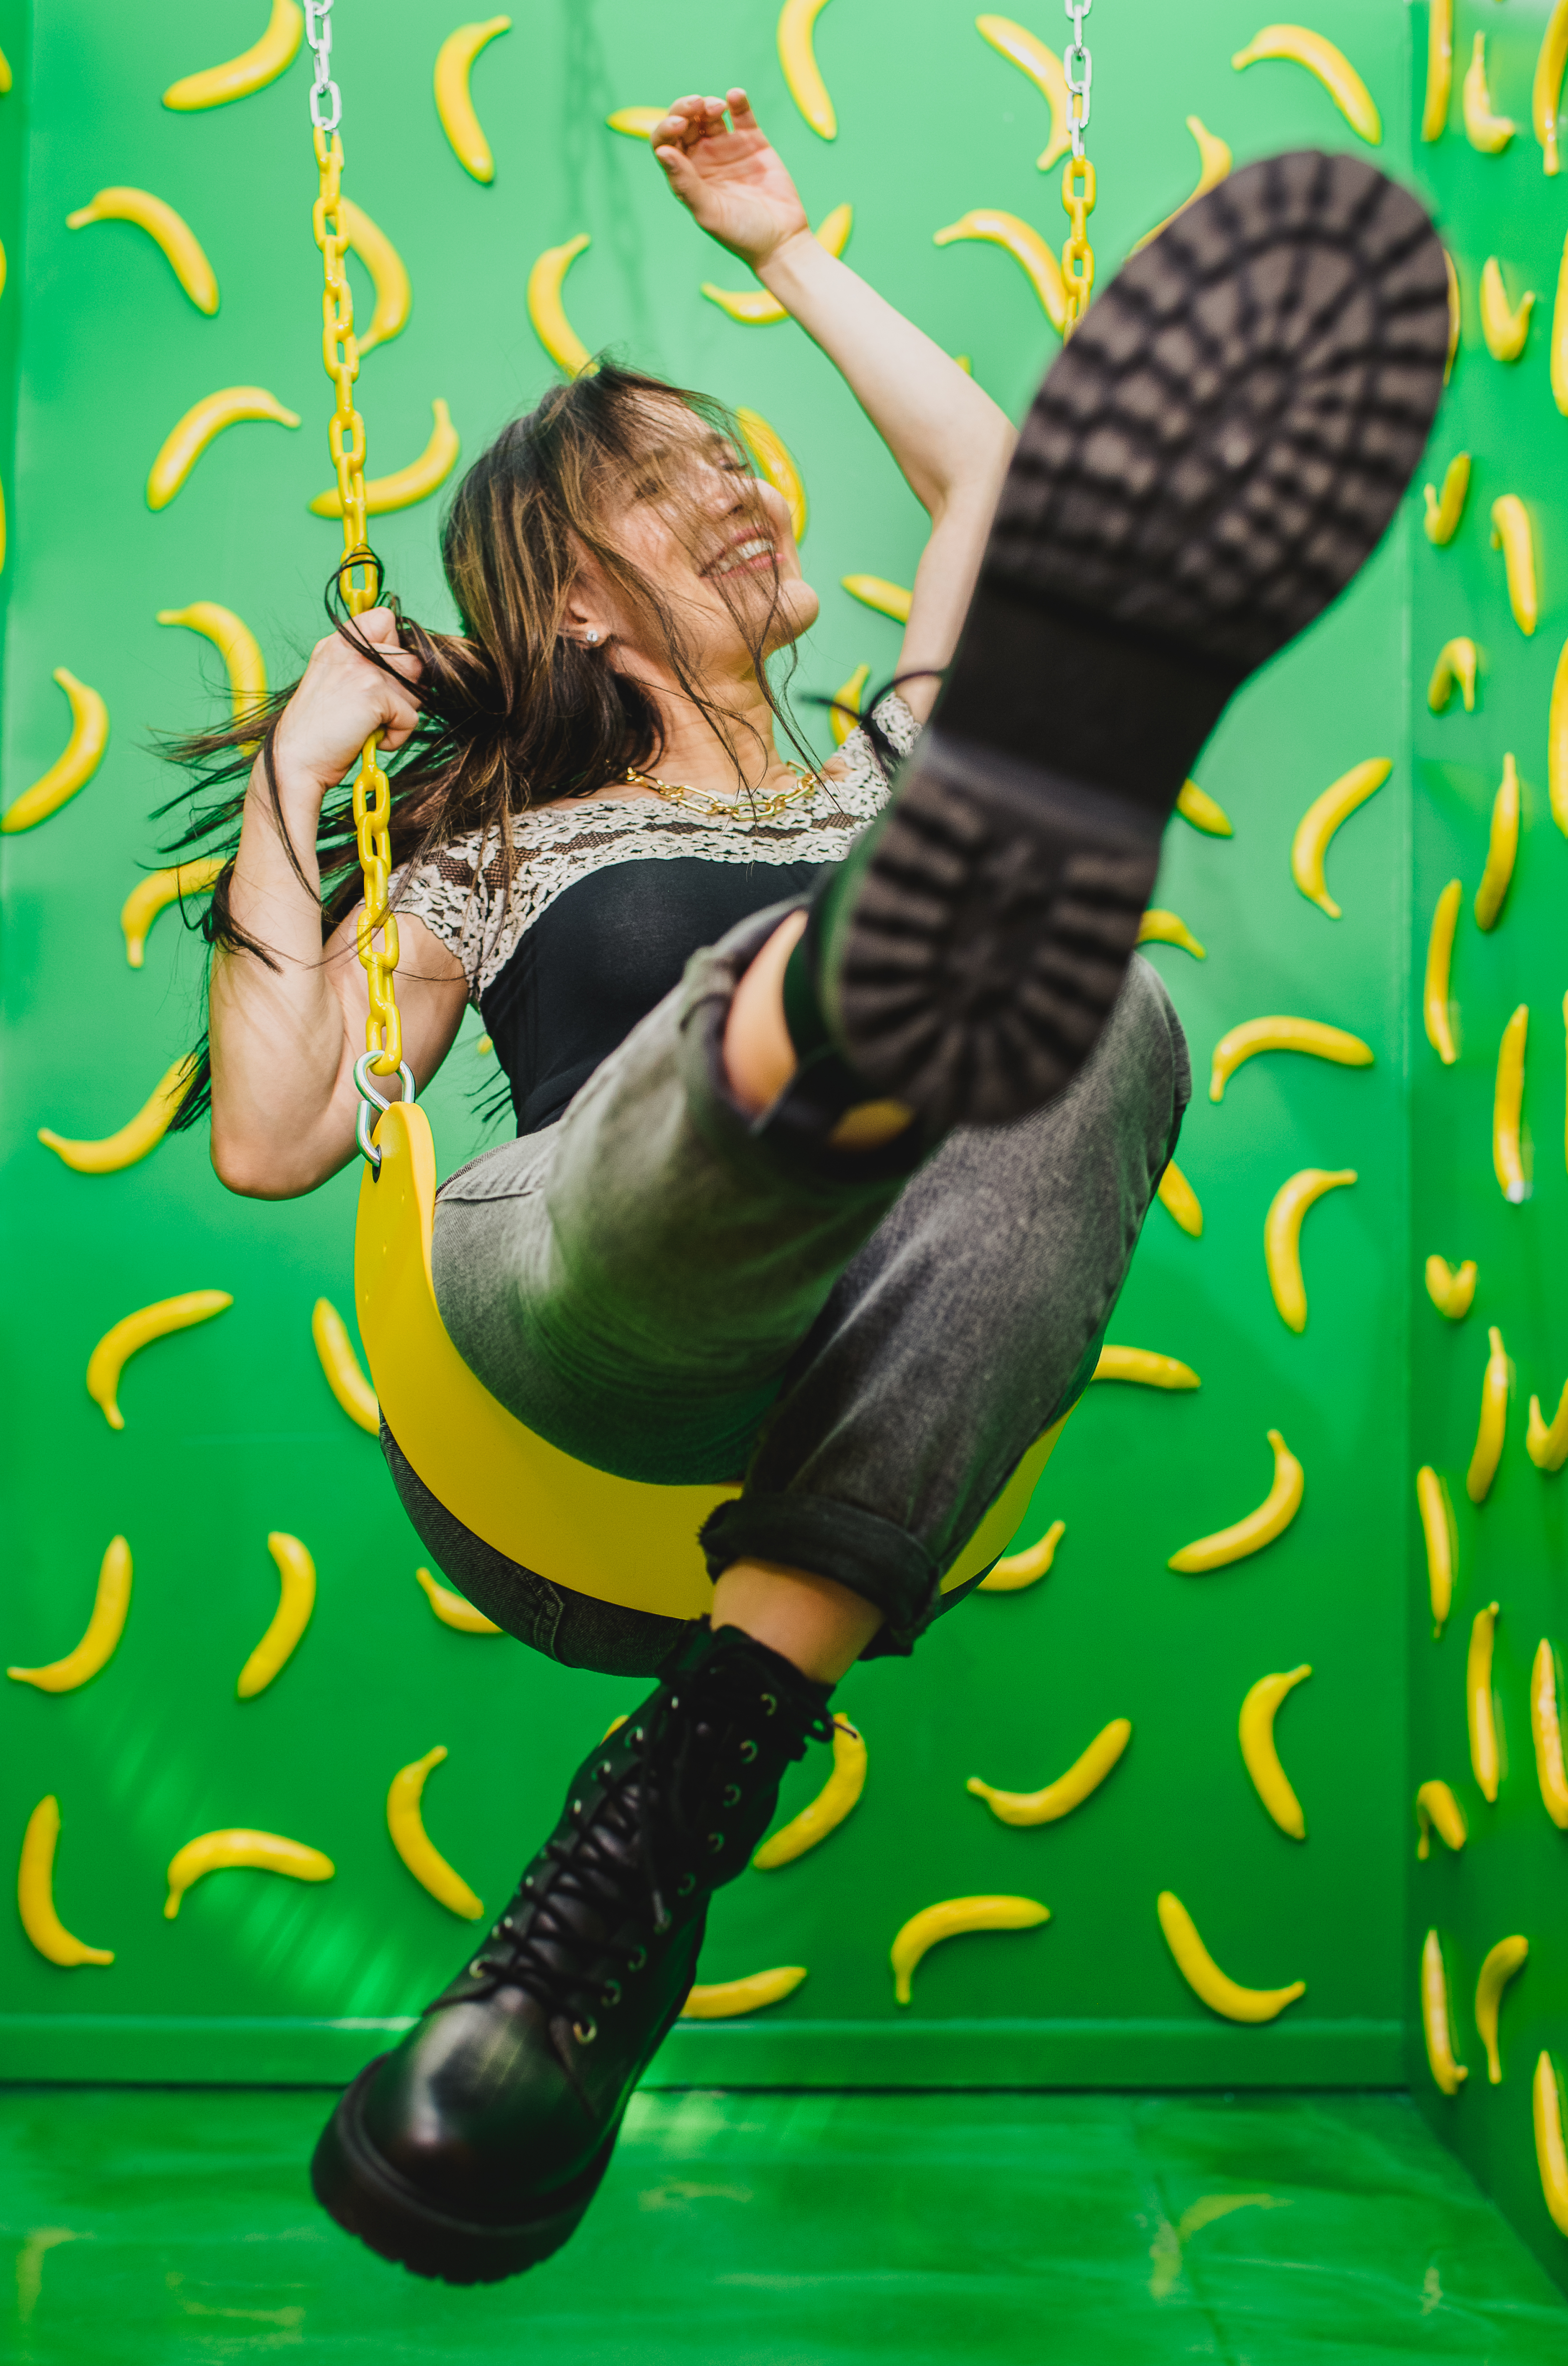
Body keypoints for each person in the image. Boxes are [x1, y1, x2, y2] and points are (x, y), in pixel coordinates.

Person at [174, 93, 1447, 2283]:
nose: (741, 485)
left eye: (731, 449)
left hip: (834, 1383)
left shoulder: (876, 750)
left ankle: (669, 1810)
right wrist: (303, 765)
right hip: (571, 1318)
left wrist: (781, 248)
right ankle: (837, 994)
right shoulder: (487, 846)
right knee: (939, 966)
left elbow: (998, 486)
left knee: (1106, 1024)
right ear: (575, 589)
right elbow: (279, 1135)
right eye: (668, 478)